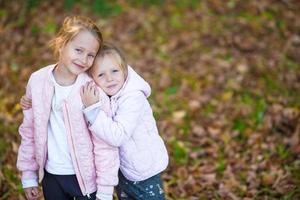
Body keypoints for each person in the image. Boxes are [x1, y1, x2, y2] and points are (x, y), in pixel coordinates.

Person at [17, 16, 119, 200]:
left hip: (87, 180)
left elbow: (105, 143)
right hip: (51, 175)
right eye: (78, 50)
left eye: (90, 55)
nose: (83, 59)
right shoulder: (38, 81)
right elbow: (30, 132)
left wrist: (105, 190)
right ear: (61, 44)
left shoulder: (92, 89)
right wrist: (29, 176)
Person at [80, 43, 169, 199]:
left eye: (114, 71)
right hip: (123, 170)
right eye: (101, 75)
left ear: (125, 71)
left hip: (143, 171)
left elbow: (118, 135)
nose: (109, 78)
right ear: (93, 79)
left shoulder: (133, 98)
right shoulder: (109, 96)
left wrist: (93, 112)